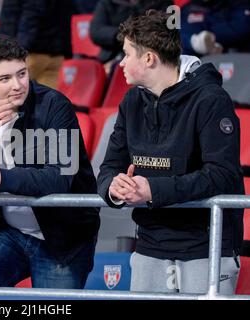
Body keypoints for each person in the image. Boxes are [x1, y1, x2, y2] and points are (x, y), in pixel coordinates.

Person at [97, 10, 244, 294]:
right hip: (149, 245)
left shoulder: (211, 100)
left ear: (149, 58)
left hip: (207, 247)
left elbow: (222, 174)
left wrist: (152, 190)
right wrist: (114, 187)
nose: (121, 63)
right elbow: (108, 168)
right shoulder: (131, 101)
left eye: (127, 54)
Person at [0, 34, 100, 288]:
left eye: (22, 74)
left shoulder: (55, 107)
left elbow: (58, 178)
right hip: (7, 234)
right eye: (4, 78)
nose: (17, 85)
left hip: (61, 239)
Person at [0, 0, 73, 89]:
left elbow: (31, 16)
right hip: (56, 53)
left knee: (9, 97)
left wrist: (17, 51)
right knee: (46, 100)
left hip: (30, 52)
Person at [89, 0, 173, 74]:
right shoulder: (108, 3)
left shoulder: (163, 2)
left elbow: (165, 34)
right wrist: (125, 36)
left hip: (149, 57)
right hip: (111, 55)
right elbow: (96, 31)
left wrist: (130, 36)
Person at [180, 0, 250, 56]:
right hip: (201, 64)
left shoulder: (239, 3)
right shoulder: (187, 10)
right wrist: (195, 42)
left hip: (242, 56)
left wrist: (211, 39)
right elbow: (181, 34)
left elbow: (243, 27)